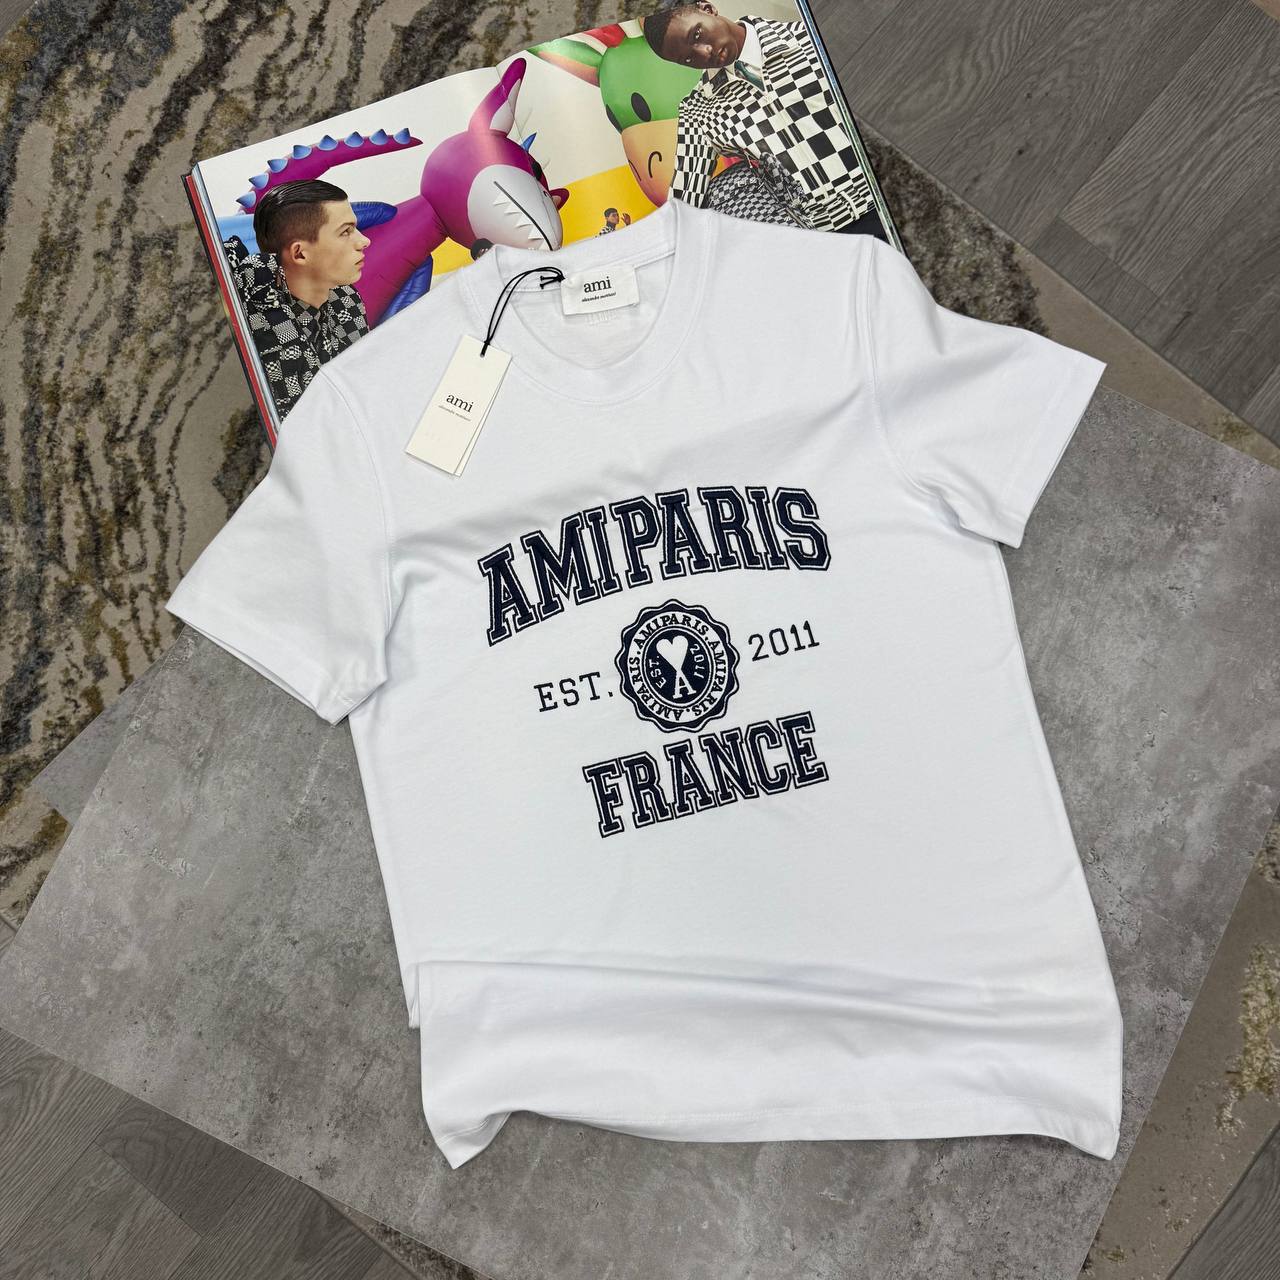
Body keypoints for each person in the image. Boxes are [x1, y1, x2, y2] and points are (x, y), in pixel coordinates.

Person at [643, 1, 881, 234]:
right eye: (687, 59)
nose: (704, 53)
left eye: (696, 35)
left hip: (885, 192)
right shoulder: (699, 108)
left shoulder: (809, 39)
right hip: (829, 233)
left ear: (708, 9)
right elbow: (683, 203)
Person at [223, 179, 371, 419]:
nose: (364, 241)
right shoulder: (256, 297)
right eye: (345, 231)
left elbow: (359, 387)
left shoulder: (346, 299)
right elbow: (299, 410)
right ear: (299, 253)